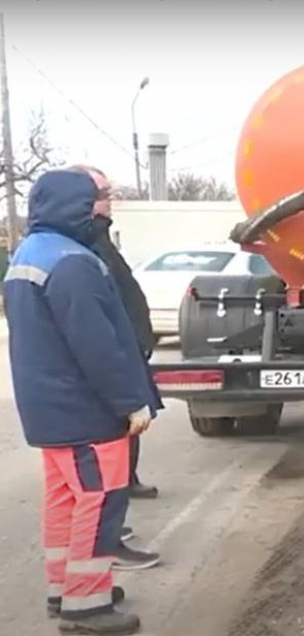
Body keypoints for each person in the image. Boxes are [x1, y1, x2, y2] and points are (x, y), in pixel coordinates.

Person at [4, 168, 160, 635]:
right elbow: (98, 346)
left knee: (65, 501)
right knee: (98, 501)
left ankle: (64, 587)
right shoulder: (73, 261)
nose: (103, 207)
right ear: (76, 205)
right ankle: (86, 606)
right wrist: (131, 401)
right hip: (86, 412)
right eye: (98, 198)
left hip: (51, 409)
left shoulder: (31, 253)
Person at [69, 165, 161, 501]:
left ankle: (125, 479)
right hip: (115, 348)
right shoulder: (82, 243)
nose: (109, 201)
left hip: (129, 343)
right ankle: (108, 501)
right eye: (102, 195)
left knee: (128, 424)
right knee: (114, 420)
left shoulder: (100, 235)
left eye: (108, 193)